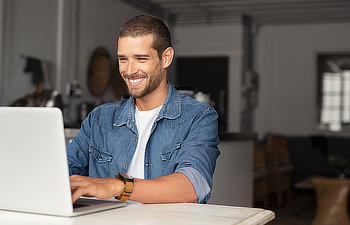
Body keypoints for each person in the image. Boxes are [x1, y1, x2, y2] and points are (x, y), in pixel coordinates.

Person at [67, 15, 220, 204]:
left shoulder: (198, 117)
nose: (129, 70)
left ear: (166, 58)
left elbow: (192, 186)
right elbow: (60, 173)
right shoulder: (99, 118)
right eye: (123, 59)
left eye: (141, 58)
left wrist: (118, 186)